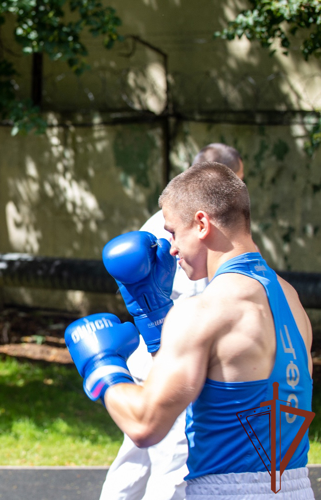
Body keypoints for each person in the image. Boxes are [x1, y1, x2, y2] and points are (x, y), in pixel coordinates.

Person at [67, 162, 314, 498]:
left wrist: (102, 367)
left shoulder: (204, 311)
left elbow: (144, 425)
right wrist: (156, 319)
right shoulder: (289, 298)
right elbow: (221, 385)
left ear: (201, 223)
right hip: (294, 486)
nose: (171, 247)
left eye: (172, 231)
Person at [100, 143, 245, 500]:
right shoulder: (195, 228)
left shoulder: (159, 220)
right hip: (178, 352)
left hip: (159, 348)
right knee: (174, 464)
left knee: (136, 457)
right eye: (236, 182)